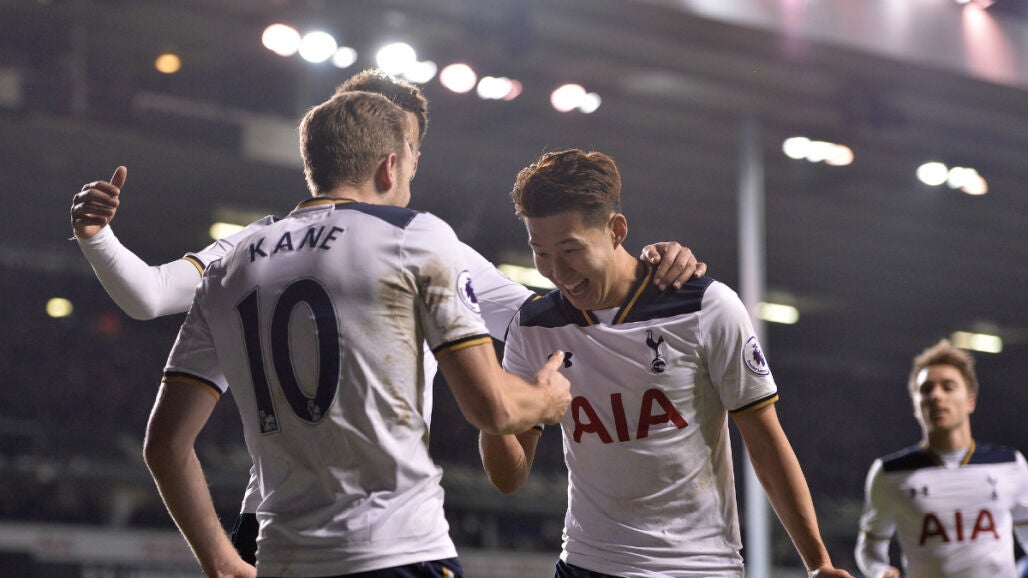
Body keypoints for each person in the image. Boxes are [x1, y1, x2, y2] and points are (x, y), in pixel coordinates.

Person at [69, 70, 708, 563]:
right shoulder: (420, 241)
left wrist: (646, 264)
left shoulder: (242, 253)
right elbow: (558, 323)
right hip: (386, 539)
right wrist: (641, 280)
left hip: (273, 532)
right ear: (387, 157)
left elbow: (149, 302)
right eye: (408, 146)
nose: (412, 163)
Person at [143, 90, 578, 577]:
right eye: (410, 161)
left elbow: (165, 445)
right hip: (396, 551)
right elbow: (491, 408)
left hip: (279, 556)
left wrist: (221, 562)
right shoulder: (414, 236)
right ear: (389, 167)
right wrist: (544, 401)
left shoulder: (228, 267)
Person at [479, 149, 853, 578]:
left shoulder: (705, 306)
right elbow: (509, 478)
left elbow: (765, 441)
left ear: (616, 230)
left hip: (697, 567)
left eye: (570, 249)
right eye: (540, 252)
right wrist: (491, 399)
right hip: (586, 565)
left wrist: (818, 562)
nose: (556, 271)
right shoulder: (533, 326)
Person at [855, 339, 1028, 578]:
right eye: (926, 389)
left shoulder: (1010, 463)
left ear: (971, 400)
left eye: (948, 387)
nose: (936, 396)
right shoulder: (889, 473)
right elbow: (869, 548)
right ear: (915, 405)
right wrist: (880, 571)